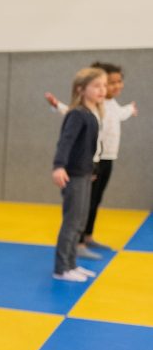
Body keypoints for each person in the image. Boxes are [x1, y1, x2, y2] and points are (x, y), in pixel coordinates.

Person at [45, 61, 138, 257]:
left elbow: (120, 115)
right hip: (88, 162)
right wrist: (59, 165)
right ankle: (75, 247)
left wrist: (130, 109)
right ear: (83, 88)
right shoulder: (86, 110)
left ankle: (86, 237)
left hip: (104, 159)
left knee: (94, 201)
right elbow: (70, 124)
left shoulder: (107, 106)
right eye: (106, 83)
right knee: (80, 209)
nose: (113, 87)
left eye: (115, 83)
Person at [52, 67, 106, 282]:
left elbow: (89, 147)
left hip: (84, 173)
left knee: (81, 221)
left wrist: (91, 169)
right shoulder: (77, 114)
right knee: (72, 222)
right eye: (96, 86)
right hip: (72, 175)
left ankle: (71, 264)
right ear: (80, 89)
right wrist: (59, 166)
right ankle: (61, 268)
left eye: (104, 86)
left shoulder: (92, 114)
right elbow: (65, 142)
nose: (102, 90)